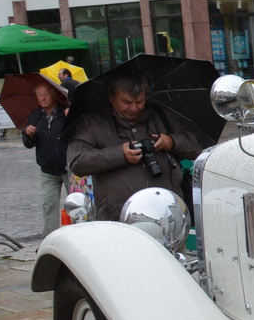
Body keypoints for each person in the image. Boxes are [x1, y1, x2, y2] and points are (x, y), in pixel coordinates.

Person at [66, 72, 205, 221]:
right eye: (126, 102)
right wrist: (119, 154)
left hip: (167, 215)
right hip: (118, 218)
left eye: (139, 102)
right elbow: (77, 162)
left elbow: (196, 148)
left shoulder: (162, 116)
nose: (134, 108)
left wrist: (172, 141)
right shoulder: (93, 123)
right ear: (111, 98)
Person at [22, 78, 70, 236]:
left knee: (75, 204)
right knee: (49, 205)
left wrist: (71, 117)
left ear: (54, 96)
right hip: (47, 169)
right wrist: (28, 135)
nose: (42, 98)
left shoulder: (65, 112)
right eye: (39, 95)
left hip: (68, 167)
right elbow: (29, 144)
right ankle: (50, 237)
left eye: (45, 95)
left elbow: (77, 134)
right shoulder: (35, 116)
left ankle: (79, 234)